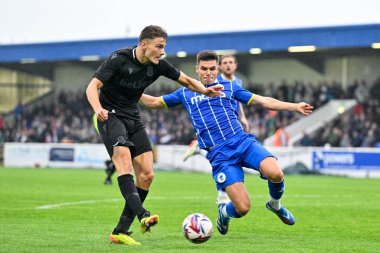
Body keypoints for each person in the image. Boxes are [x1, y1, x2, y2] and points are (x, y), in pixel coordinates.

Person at [139, 50, 313, 235]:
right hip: (221, 155)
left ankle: (275, 205)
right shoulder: (185, 92)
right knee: (243, 208)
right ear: (197, 69)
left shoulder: (229, 87)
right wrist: (131, 91)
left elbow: (263, 101)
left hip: (242, 142)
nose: (208, 73)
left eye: (212, 69)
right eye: (204, 69)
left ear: (218, 68)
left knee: (276, 173)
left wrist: (294, 106)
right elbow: (154, 102)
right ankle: (224, 212)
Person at [86, 26, 223, 246]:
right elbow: (92, 87)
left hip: (132, 115)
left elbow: (187, 81)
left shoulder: (159, 65)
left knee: (148, 175)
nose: (162, 52)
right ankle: (142, 214)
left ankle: (120, 231)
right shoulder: (119, 59)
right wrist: (97, 108)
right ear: (144, 44)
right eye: (159, 47)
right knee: (123, 162)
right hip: (108, 115)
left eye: (164, 47)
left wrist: (205, 90)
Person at [181, 54, 249, 205]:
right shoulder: (217, 82)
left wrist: (242, 117)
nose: (228, 65)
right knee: (225, 157)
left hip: (233, 123)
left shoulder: (237, 82)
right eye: (225, 63)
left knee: (231, 159)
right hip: (218, 126)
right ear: (220, 67)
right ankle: (222, 193)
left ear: (235, 65)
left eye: (231, 62)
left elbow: (238, 101)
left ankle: (222, 193)